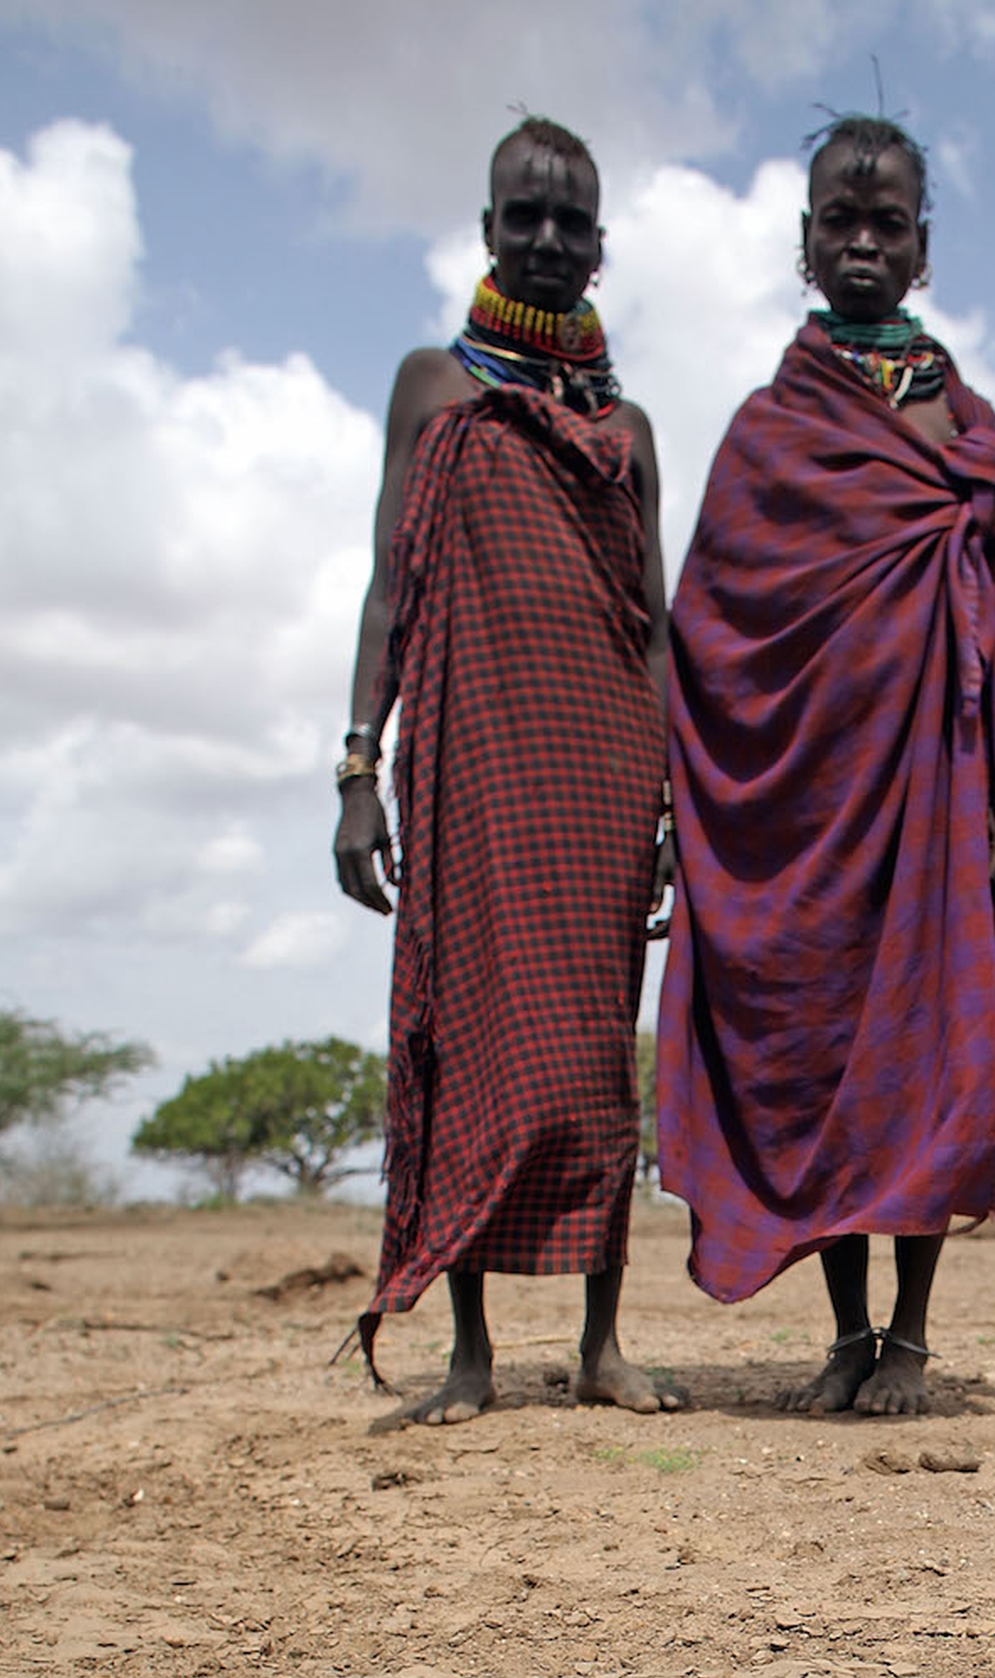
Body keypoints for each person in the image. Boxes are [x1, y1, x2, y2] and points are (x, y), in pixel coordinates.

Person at [659, 115, 995, 1417]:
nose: (860, 240)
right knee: (825, 1044)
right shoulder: (770, 426)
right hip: (811, 796)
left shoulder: (966, 416)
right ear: (802, 244)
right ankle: (843, 1332)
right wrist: (707, 793)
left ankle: (909, 1337)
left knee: (931, 1049)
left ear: (924, 249)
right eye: (838, 219)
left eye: (885, 220)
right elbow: (713, 617)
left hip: (939, 795)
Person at [334, 114, 682, 1424]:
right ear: (487, 231)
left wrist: (667, 802)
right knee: (474, 1036)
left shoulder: (630, 424)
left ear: (599, 246)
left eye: (571, 221)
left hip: (603, 767)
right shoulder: (434, 385)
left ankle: (600, 1344)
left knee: (596, 1056)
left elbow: (650, 625)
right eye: (523, 216)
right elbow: (389, 587)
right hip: (472, 759)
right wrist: (358, 762)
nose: (546, 238)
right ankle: (471, 1354)